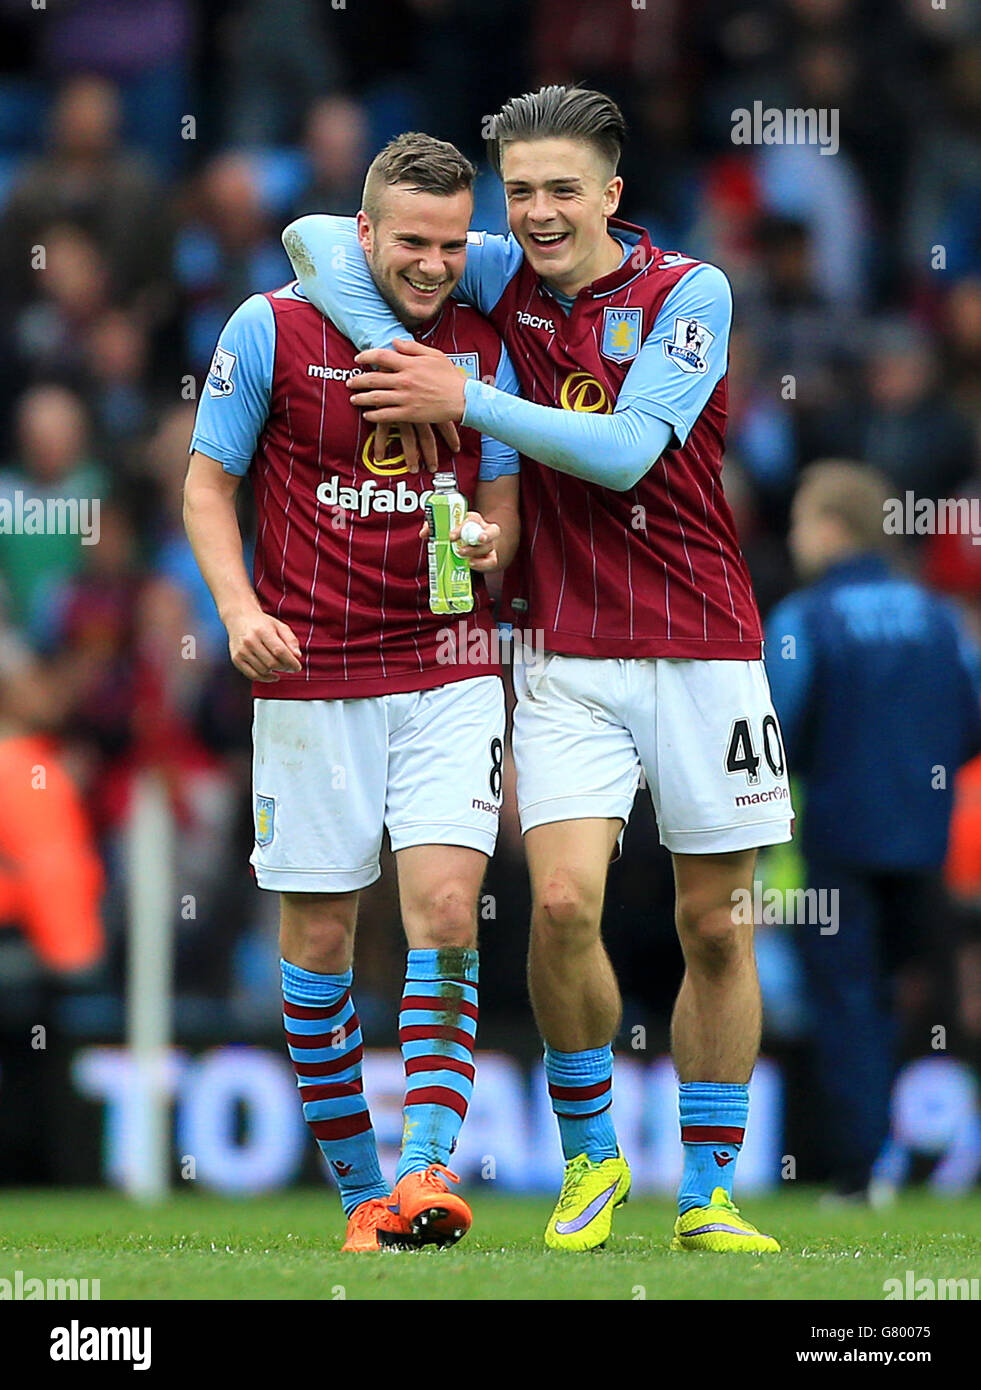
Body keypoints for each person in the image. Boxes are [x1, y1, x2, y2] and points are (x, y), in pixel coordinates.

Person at [284, 85, 791, 1253]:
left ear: (613, 192)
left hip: (709, 644)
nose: (543, 213)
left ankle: (708, 1190)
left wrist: (459, 392)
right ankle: (593, 1159)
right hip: (563, 647)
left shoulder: (689, 293)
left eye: (565, 189)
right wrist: (394, 347)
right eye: (523, 192)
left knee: (714, 924)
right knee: (561, 903)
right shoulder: (500, 269)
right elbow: (316, 238)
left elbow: (623, 453)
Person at [184, 133, 521, 1252]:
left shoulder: (487, 341)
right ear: (363, 233)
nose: (430, 265)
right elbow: (205, 488)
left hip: (447, 662)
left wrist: (481, 540)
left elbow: (507, 526)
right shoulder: (270, 327)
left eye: (447, 243)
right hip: (311, 669)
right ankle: (360, 1197)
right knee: (322, 936)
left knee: (441, 913)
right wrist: (238, 612)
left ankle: (427, 1172)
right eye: (408, 242)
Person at [766, 460, 981, 1200]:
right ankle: (934, 1148)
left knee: (846, 1004)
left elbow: (776, 731)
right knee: (923, 1001)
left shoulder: (805, 618)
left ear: (830, 528)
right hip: (924, 843)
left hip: (837, 846)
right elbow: (970, 720)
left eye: (799, 520)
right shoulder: (938, 618)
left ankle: (860, 1171)